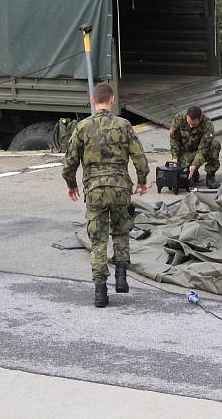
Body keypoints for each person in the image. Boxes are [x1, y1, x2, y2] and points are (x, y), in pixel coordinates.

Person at [62, 83, 149, 307]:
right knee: (121, 232)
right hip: (120, 187)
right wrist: (142, 181)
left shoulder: (82, 127)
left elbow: (70, 162)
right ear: (112, 100)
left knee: (98, 239)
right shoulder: (124, 125)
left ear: (93, 101)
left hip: (95, 190)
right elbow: (139, 156)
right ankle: (121, 275)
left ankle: (100, 290)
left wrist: (71, 184)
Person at [169, 106, 221, 189]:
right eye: (189, 123)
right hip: (185, 152)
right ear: (186, 117)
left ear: (199, 119)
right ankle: (193, 174)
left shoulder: (207, 125)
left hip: (199, 152)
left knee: (214, 145)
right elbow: (174, 140)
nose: (191, 126)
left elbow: (204, 149)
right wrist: (175, 157)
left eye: (194, 124)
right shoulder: (179, 119)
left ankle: (210, 176)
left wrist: (195, 164)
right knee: (181, 182)